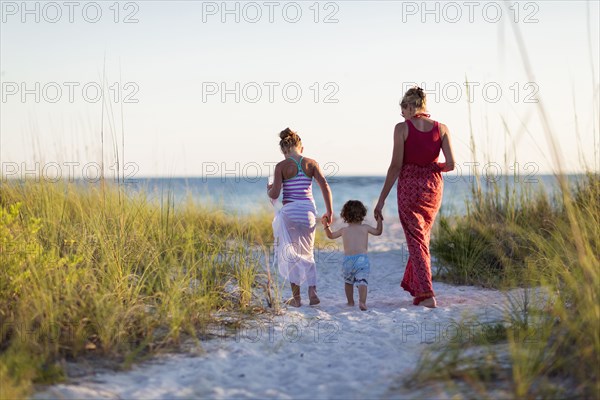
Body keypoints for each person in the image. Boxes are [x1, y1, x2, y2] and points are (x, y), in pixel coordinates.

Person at [374, 87, 455, 308]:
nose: (403, 116)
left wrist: (380, 200)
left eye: (403, 111)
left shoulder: (402, 129)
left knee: (417, 241)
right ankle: (419, 290)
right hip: (432, 187)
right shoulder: (443, 128)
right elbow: (450, 164)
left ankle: (427, 293)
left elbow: (395, 167)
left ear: (410, 107)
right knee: (422, 239)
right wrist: (430, 167)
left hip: (409, 186)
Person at [268, 128, 333, 307]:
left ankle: (296, 299)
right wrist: (329, 211)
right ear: (301, 148)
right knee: (308, 252)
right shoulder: (311, 163)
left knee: (291, 254)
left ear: (284, 151)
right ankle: (312, 292)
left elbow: (275, 194)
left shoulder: (281, 166)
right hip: (308, 212)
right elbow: (325, 186)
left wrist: (269, 189)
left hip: (290, 212)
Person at [322, 200, 383, 311]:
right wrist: (379, 220)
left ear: (344, 215)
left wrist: (326, 225)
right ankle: (362, 302)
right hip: (361, 259)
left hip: (348, 261)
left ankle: (350, 302)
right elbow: (378, 231)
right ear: (363, 214)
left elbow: (330, 235)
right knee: (362, 281)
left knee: (348, 282)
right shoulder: (365, 227)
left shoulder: (344, 230)